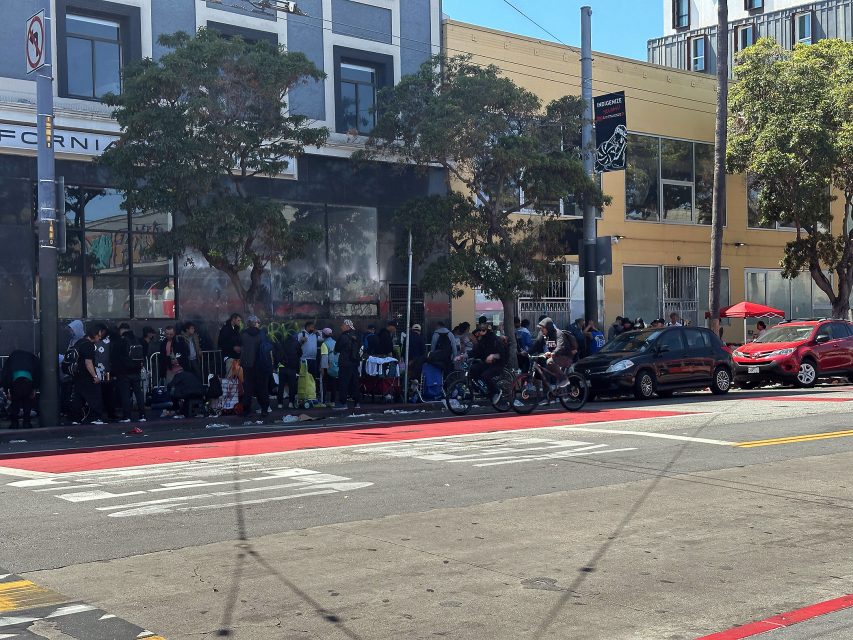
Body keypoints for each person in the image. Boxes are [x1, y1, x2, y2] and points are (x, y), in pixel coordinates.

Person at [70, 323, 106, 425]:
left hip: (77, 374)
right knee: (95, 396)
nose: (100, 338)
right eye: (99, 335)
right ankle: (96, 417)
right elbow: (88, 363)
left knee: (78, 397)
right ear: (95, 334)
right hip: (86, 375)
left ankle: (75, 418)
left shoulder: (79, 342)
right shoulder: (89, 345)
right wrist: (95, 376)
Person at [113, 323, 146, 423]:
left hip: (124, 372)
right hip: (136, 371)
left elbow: (115, 357)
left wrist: (115, 372)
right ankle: (142, 415)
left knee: (125, 394)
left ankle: (127, 416)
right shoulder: (138, 339)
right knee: (138, 393)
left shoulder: (120, 341)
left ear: (121, 330)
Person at [468, 325, 508, 403]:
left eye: (483, 331)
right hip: (487, 364)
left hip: (498, 364)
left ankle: (496, 391)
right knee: (473, 369)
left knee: (485, 376)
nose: (480, 333)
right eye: (479, 331)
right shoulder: (482, 341)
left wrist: (493, 356)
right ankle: (480, 389)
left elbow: (503, 354)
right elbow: (475, 352)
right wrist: (463, 356)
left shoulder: (496, 340)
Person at [240, 315, 270, 417]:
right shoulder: (262, 334)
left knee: (248, 388)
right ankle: (264, 409)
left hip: (248, 365)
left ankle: (247, 409)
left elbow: (241, 349)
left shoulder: (243, 334)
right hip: (261, 365)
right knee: (262, 388)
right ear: (256, 323)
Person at [1, 350, 40, 429]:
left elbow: (6, 373)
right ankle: (27, 423)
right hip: (28, 381)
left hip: (15, 382)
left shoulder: (12, 357)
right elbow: (37, 373)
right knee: (27, 403)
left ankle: (14, 424)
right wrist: (35, 387)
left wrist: (7, 389)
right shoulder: (31, 358)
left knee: (15, 403)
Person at [334, 319, 362, 410]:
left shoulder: (343, 337)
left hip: (345, 363)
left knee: (343, 383)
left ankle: (343, 403)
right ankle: (357, 403)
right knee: (355, 383)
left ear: (347, 326)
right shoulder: (356, 336)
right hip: (355, 363)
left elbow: (337, 349)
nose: (341, 326)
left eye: (343, 325)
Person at [274, 328, 302, 409]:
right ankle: (290, 403)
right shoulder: (296, 343)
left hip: (282, 368)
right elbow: (300, 354)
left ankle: (280, 404)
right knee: (292, 386)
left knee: (281, 386)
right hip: (292, 368)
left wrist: (276, 366)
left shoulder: (282, 343)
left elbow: (278, 355)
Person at [320, 328, 337, 405]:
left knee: (324, 384)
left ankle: (323, 401)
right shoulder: (335, 342)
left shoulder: (324, 344)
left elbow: (324, 357)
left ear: (323, 335)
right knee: (333, 384)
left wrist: (323, 368)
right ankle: (332, 401)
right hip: (335, 366)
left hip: (327, 366)